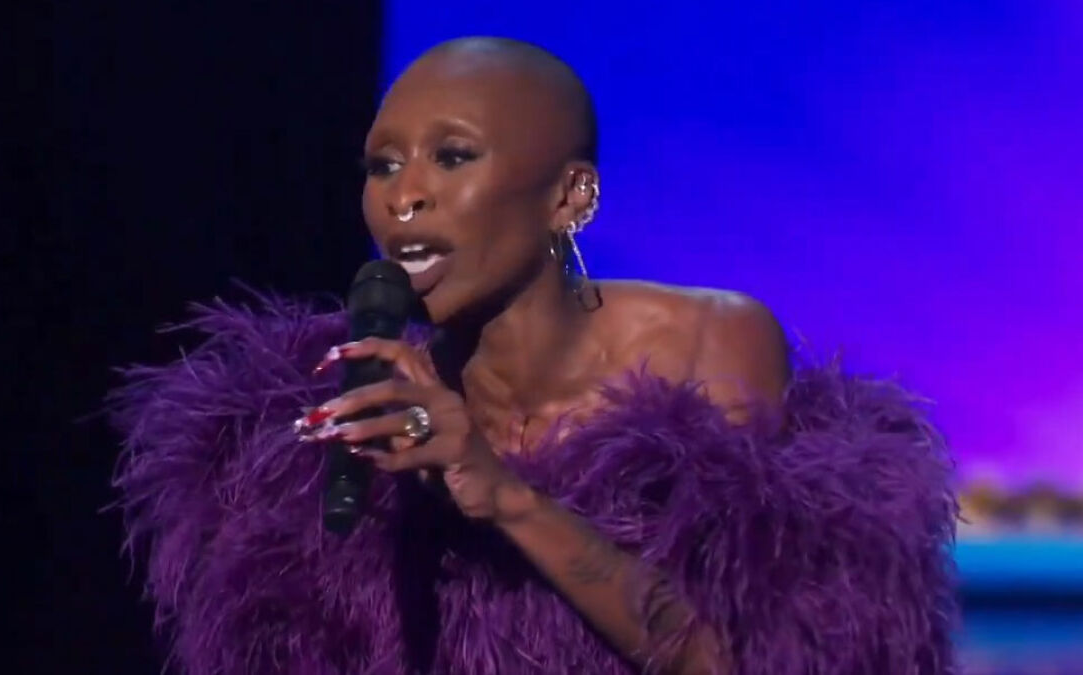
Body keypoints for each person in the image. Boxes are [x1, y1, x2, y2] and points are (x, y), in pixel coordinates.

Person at [109, 37, 959, 674]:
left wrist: (505, 496)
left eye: (452, 156)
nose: (404, 195)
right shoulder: (359, 400)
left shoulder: (705, 344)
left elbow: (739, 657)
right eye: (382, 164)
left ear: (569, 196)